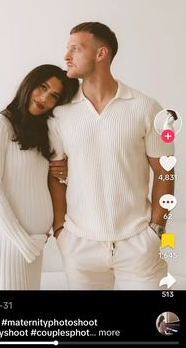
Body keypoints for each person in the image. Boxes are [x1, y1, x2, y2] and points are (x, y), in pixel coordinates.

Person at [48, 22, 175, 290]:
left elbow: (165, 170)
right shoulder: (60, 114)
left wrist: (157, 229)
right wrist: (61, 229)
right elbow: (56, 177)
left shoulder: (147, 108)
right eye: (66, 48)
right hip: (80, 244)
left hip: (139, 243)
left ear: (100, 54)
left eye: (75, 48)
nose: (66, 56)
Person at [0, 64, 79, 290]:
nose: (44, 98)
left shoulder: (43, 135)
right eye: (42, 87)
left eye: (54, 96)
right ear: (29, 84)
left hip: (32, 245)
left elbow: (43, 181)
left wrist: (67, 170)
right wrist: (22, 241)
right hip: (2, 242)